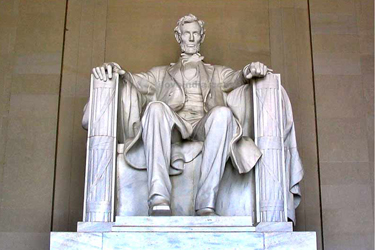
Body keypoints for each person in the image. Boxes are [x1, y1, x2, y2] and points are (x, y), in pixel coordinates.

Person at [91, 14, 270, 216]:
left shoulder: (217, 73)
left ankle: (206, 203)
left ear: (202, 36)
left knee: (223, 114)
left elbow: (237, 78)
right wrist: (116, 71)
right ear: (179, 37)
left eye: (196, 33)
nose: (192, 38)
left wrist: (249, 69)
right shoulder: (161, 73)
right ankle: (158, 198)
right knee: (155, 108)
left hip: (204, 125)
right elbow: (134, 81)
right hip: (175, 126)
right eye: (187, 34)